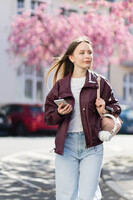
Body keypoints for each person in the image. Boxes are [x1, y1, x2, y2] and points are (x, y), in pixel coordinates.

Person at [44, 36, 121, 200]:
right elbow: (48, 117)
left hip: (92, 146)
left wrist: (104, 109)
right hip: (66, 146)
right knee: (66, 196)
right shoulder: (60, 86)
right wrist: (59, 113)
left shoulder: (100, 83)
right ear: (71, 57)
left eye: (90, 52)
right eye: (82, 53)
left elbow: (116, 109)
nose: (87, 56)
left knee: (88, 196)